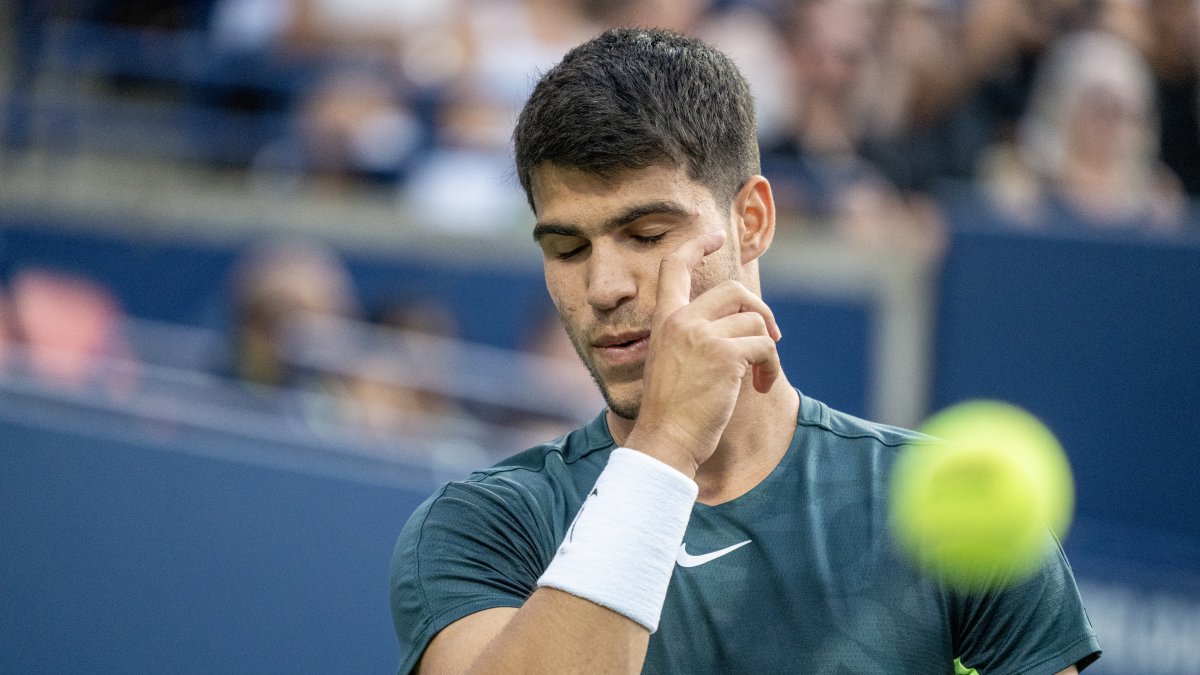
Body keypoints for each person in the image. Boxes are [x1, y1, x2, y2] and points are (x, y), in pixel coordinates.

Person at [390, 28, 1101, 674]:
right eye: (568, 247)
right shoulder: (483, 525)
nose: (604, 286)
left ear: (752, 221)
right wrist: (667, 442)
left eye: (647, 234)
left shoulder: (951, 500)